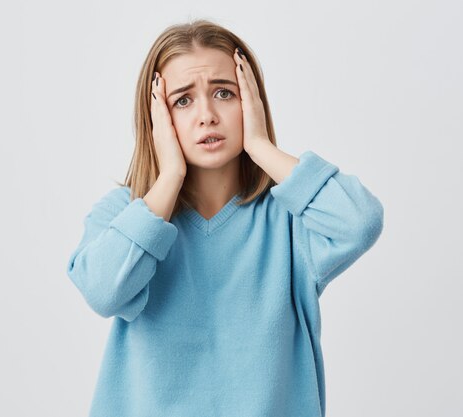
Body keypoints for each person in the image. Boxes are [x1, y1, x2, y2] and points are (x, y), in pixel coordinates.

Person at [66, 18, 384, 417]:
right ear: (156, 119)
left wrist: (260, 145)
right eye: (183, 100)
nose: (207, 115)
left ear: (251, 101)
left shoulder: (291, 220)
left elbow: (360, 221)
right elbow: (103, 291)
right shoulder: (124, 213)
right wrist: (168, 179)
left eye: (224, 93)